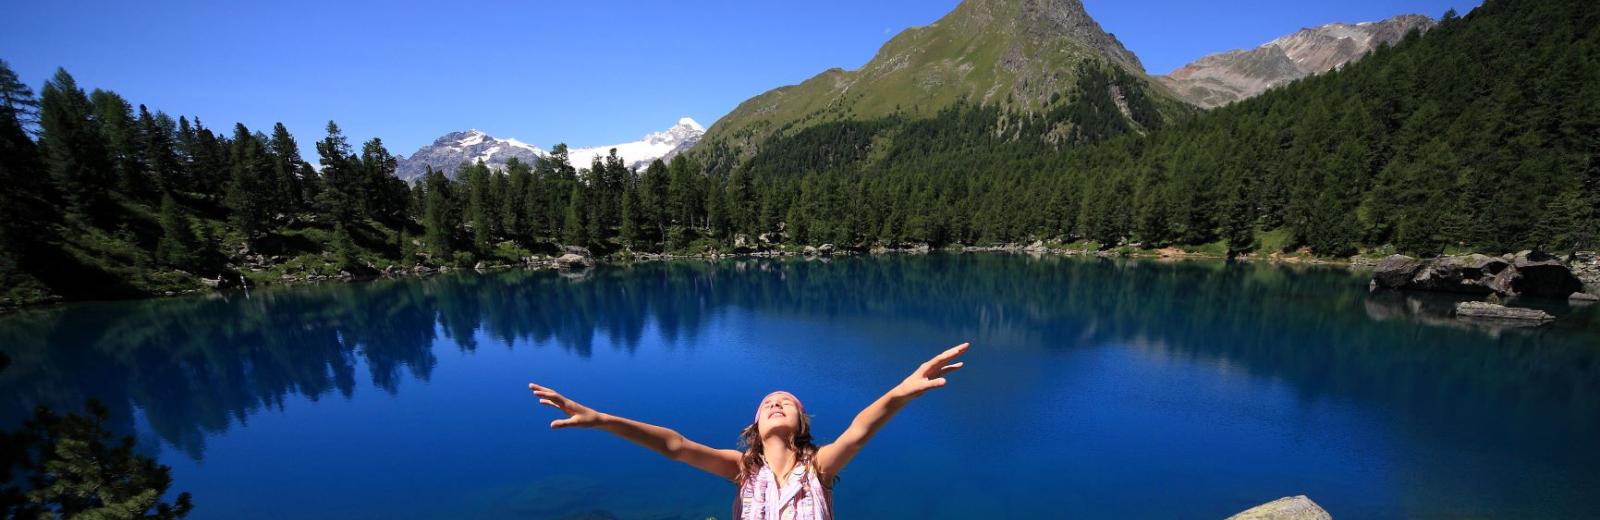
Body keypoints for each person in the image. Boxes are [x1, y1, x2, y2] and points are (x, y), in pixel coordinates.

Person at [528, 342, 970, 519]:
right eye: (767, 404)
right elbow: (676, 446)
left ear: (800, 425)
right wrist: (603, 419)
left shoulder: (819, 468)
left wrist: (902, 391)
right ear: (756, 428)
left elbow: (858, 430)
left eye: (787, 404)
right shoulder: (741, 469)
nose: (776, 403)